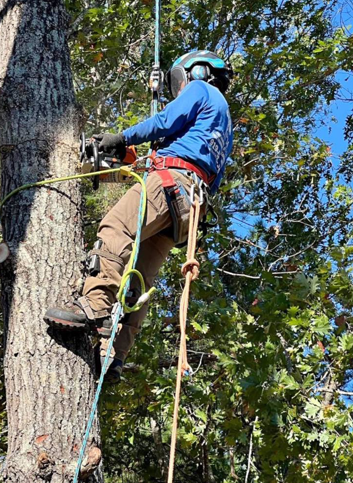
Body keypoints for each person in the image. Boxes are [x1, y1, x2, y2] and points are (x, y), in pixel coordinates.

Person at [44, 50, 234, 382]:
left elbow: (164, 120)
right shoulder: (223, 125)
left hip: (171, 183)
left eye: (183, 79)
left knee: (116, 226)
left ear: (200, 71)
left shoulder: (201, 91)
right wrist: (129, 161)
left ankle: (96, 303)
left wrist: (122, 137)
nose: (182, 86)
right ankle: (114, 353)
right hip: (190, 208)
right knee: (139, 277)